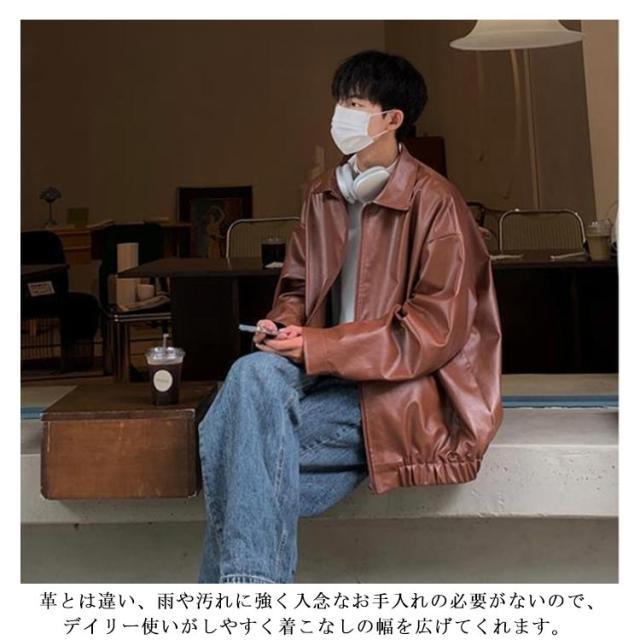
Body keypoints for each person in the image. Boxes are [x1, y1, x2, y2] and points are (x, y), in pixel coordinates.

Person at [197, 50, 503, 584]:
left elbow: (431, 332)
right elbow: (297, 286)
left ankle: (242, 599)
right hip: (325, 375)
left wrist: (319, 346)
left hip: (399, 390)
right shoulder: (323, 194)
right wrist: (284, 325)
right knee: (251, 374)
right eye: (340, 101)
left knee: (239, 459)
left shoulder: (437, 202)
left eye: (355, 104)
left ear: (392, 119)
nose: (341, 113)